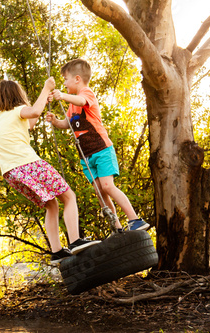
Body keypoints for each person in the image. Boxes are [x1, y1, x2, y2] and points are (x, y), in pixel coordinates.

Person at [0, 77, 100, 264]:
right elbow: (33, 111)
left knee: (52, 205)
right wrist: (45, 88)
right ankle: (75, 241)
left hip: (11, 173)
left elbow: (30, 123)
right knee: (68, 197)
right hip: (28, 164)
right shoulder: (18, 110)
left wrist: (44, 100)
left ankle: (57, 251)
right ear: (17, 95)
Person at [46, 59, 149, 231]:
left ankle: (135, 219)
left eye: (65, 79)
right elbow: (68, 123)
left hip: (101, 150)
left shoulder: (87, 93)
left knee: (108, 186)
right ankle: (117, 227)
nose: (64, 83)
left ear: (77, 79)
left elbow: (82, 102)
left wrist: (62, 96)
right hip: (86, 155)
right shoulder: (72, 105)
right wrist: (56, 121)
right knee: (100, 193)